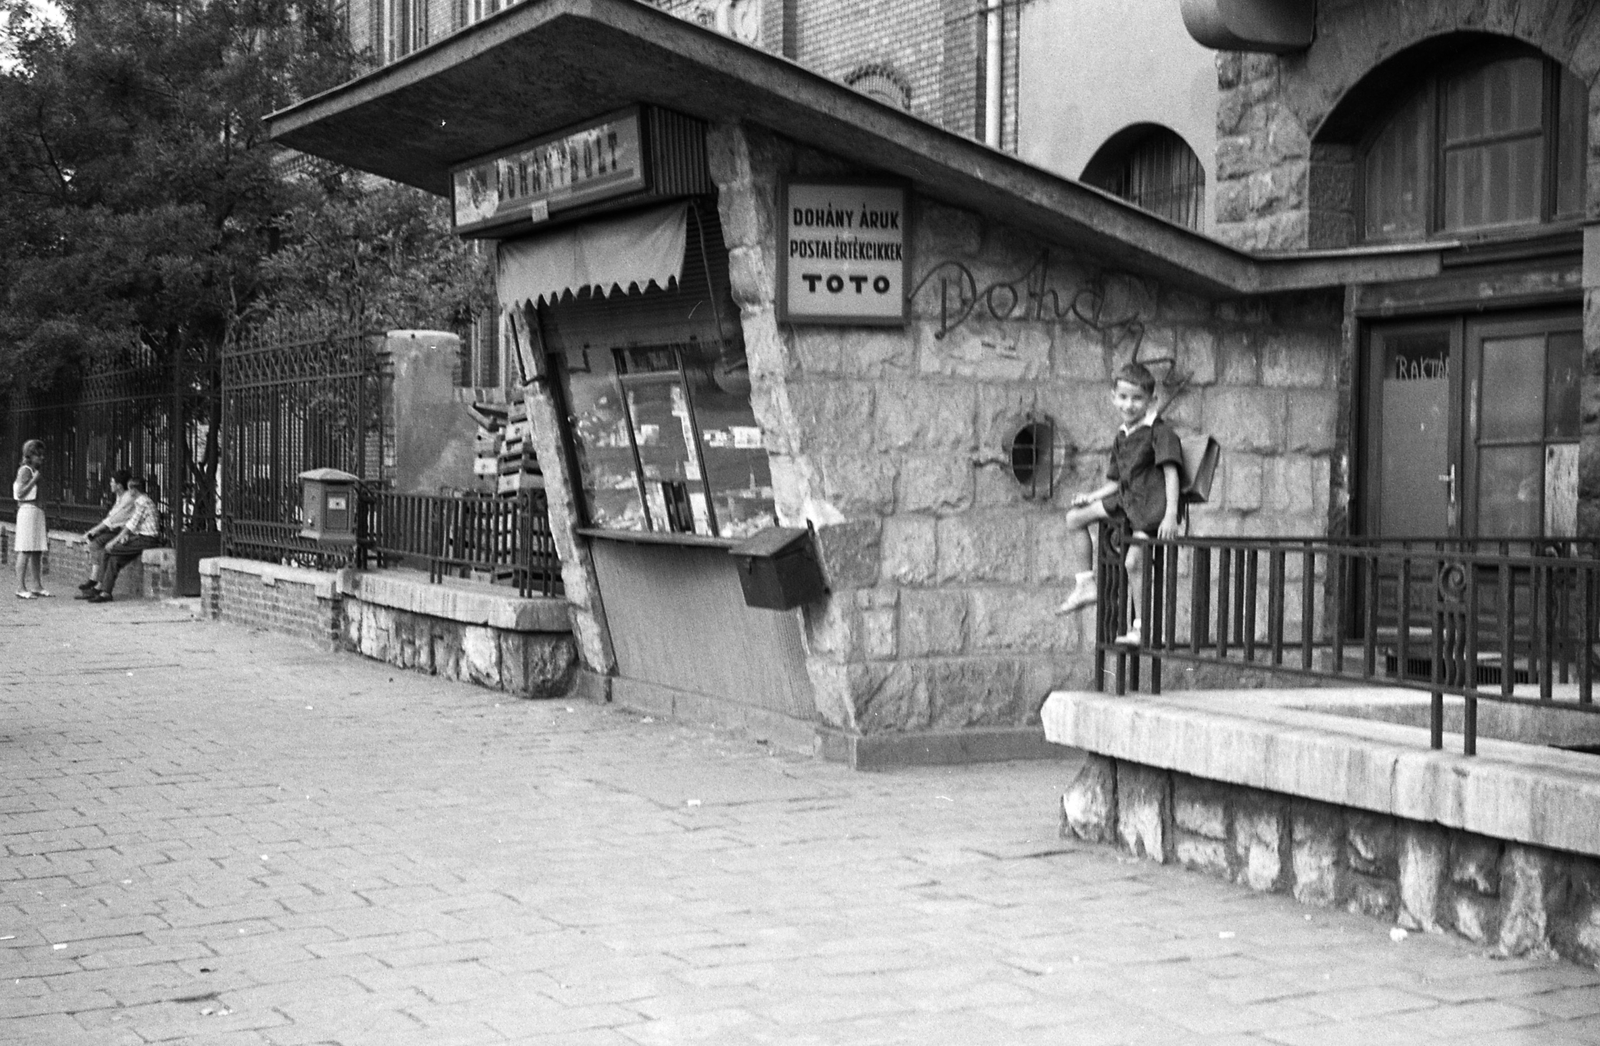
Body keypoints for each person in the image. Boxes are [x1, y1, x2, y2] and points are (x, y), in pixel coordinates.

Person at [1057, 362, 1183, 645]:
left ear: (1152, 401)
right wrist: (1092, 497)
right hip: (1126, 501)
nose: (1130, 404)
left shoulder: (1159, 433)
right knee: (1074, 518)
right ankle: (1086, 584)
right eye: (1124, 397)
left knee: (1133, 563)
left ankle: (1144, 627)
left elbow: (1171, 472)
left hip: (1149, 508)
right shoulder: (1123, 434)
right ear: (1113, 396)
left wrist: (1171, 515)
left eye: (1137, 398)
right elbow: (1116, 480)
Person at [86, 477, 161, 603]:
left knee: (108, 550)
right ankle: (106, 592)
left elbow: (131, 525)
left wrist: (114, 541)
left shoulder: (142, 502)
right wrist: (127, 536)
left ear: (133, 490)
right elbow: (135, 525)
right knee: (115, 560)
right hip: (141, 537)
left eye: (130, 489)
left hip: (148, 539)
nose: (129, 492)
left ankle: (99, 587)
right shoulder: (142, 501)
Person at [76, 469, 137, 599]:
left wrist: (91, 531)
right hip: (118, 529)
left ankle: (96, 583)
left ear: (119, 486)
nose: (110, 484)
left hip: (124, 532)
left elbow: (112, 519)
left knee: (100, 545)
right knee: (95, 544)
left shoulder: (127, 498)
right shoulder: (120, 497)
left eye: (112, 482)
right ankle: (95, 580)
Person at [12, 439, 48, 598]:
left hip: (37, 511)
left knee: (36, 550)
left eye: (42, 455)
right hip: (28, 510)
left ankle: (36, 585)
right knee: (25, 549)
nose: (41, 458)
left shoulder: (33, 470)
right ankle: (20, 587)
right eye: (38, 455)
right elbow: (20, 493)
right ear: (29, 455)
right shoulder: (25, 471)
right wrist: (34, 480)